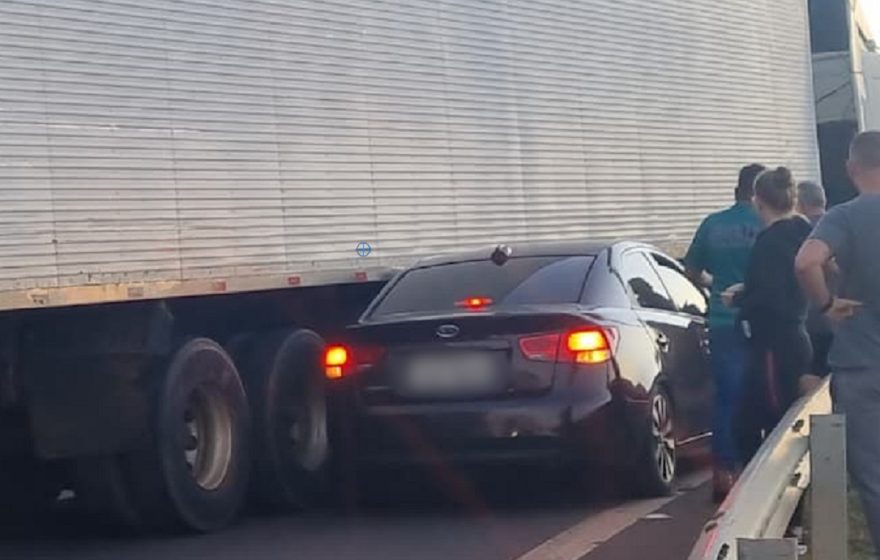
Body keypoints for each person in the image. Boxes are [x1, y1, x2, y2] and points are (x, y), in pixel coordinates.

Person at [795, 131, 880, 553]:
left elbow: (807, 261)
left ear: (851, 169)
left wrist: (827, 303)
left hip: (862, 365)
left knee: (875, 479)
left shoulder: (845, 217)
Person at [684, 163, 764, 502]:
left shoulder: (713, 224)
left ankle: (723, 472)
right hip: (763, 320)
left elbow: (691, 269)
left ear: (737, 190)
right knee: (766, 394)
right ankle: (761, 469)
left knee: (726, 397)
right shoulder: (768, 223)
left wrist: (714, 287)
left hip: (721, 319)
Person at [724, 167, 813, 464]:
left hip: (773, 344)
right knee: (786, 415)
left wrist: (739, 298)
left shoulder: (770, 242)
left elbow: (772, 297)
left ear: (757, 201)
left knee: (763, 421)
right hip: (796, 337)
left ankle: (759, 485)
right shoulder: (803, 233)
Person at [796, 181, 833, 395]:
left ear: (799, 204)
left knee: (813, 389)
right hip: (849, 324)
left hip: (813, 325)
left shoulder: (799, 230)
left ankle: (825, 427)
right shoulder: (841, 224)